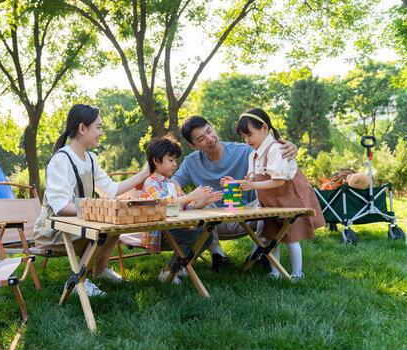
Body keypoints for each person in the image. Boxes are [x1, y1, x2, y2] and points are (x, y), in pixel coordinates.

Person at [33, 103, 150, 296]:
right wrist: (99, 209)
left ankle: (101, 272)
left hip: (79, 223)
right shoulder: (61, 160)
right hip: (53, 230)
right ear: (82, 128)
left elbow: (110, 190)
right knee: (105, 227)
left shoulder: (90, 159)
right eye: (99, 127)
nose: (101, 133)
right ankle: (80, 280)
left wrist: (145, 173)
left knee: (116, 224)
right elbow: (61, 207)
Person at [173, 115, 298, 272]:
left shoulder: (246, 151)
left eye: (209, 131)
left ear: (213, 127)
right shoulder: (191, 162)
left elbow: (274, 154)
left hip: (249, 216)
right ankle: (218, 256)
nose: (210, 139)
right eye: (201, 139)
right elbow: (170, 188)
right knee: (202, 205)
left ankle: (258, 254)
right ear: (193, 145)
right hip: (214, 224)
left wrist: (291, 148)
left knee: (267, 201)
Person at [237, 108, 325, 280]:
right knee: (271, 236)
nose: (247, 140)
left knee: (291, 237)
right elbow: (252, 177)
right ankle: (275, 271)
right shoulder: (253, 155)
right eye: (244, 137)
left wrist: (252, 183)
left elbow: (278, 181)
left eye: (249, 135)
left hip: (288, 199)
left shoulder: (276, 149)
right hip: (270, 202)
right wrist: (239, 183)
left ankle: (297, 273)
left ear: (264, 128)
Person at [140, 135, 222, 284]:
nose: (174, 165)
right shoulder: (151, 182)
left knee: (207, 236)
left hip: (177, 229)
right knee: (193, 237)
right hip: (161, 233)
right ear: (156, 161)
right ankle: (168, 271)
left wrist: (203, 202)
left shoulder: (173, 184)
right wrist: (190, 195)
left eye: (176, 161)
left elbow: (184, 208)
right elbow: (161, 204)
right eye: (170, 160)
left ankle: (182, 266)